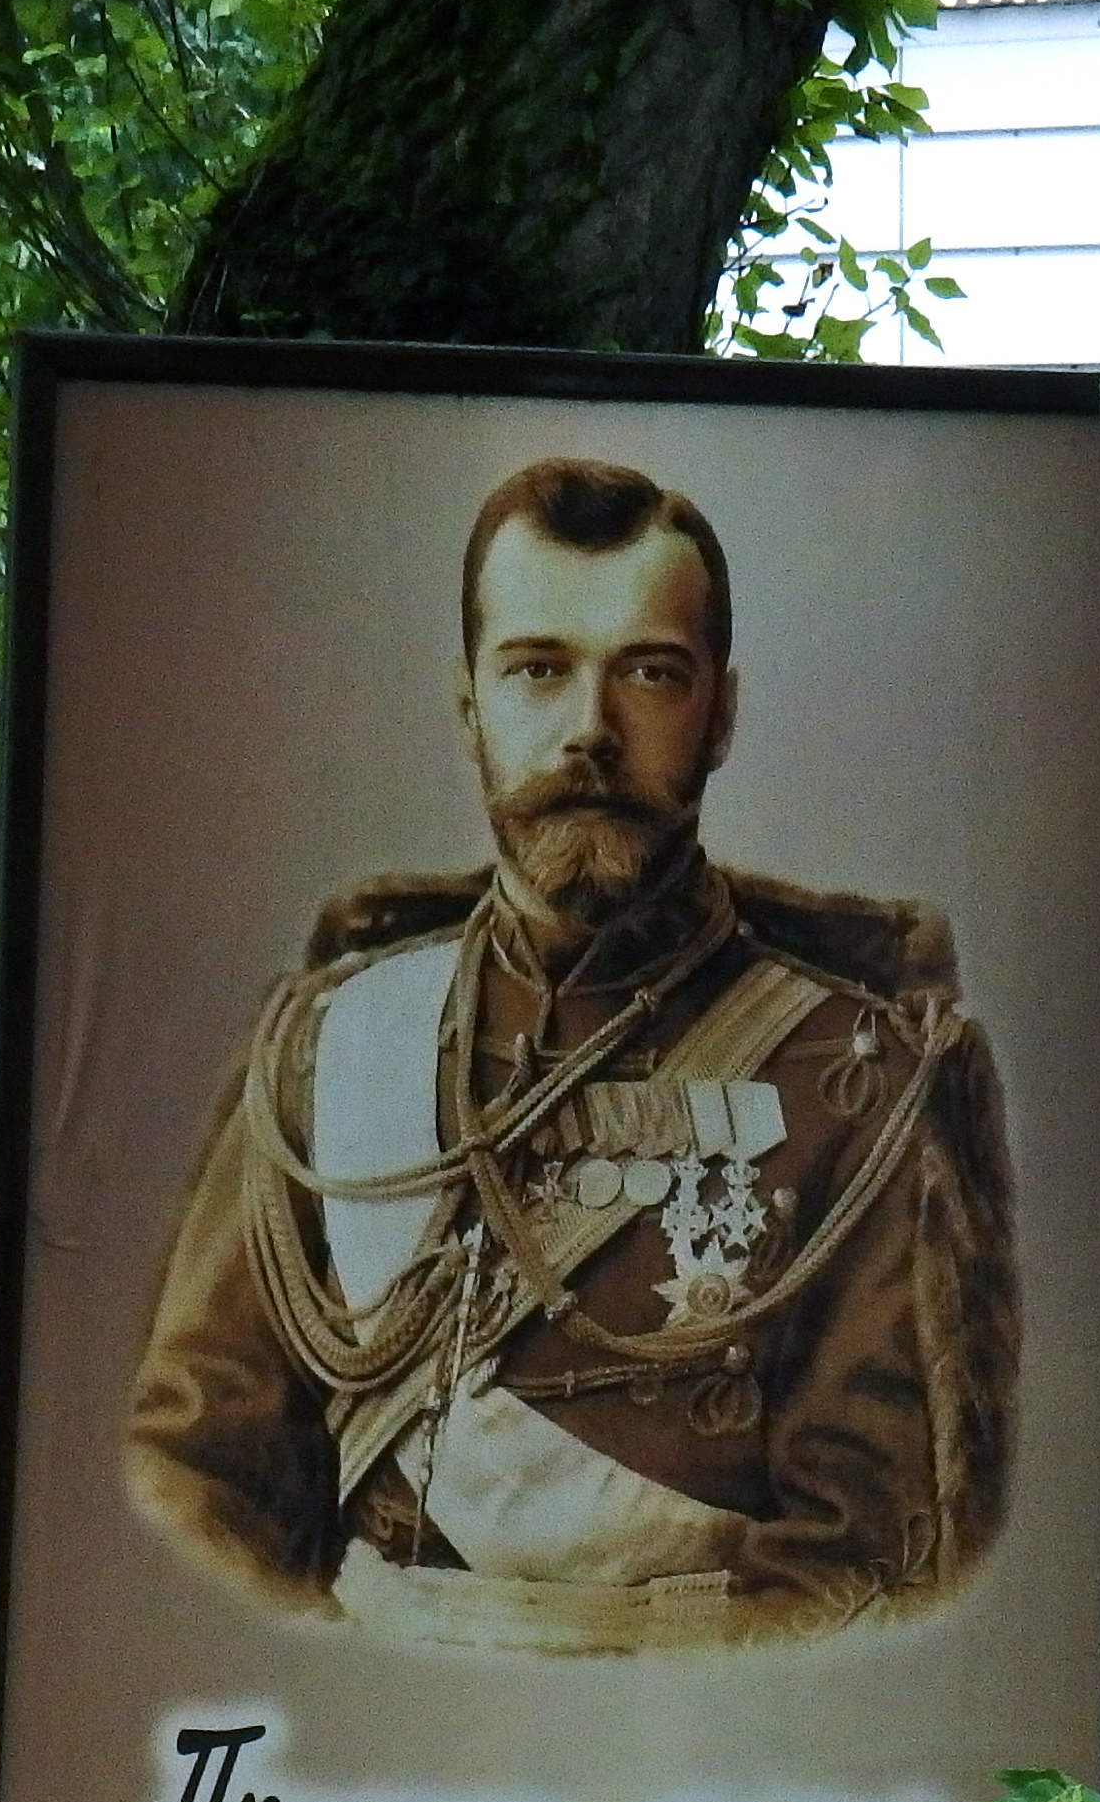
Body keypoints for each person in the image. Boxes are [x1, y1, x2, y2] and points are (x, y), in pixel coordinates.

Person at [126, 455, 1016, 1654]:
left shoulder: (863, 1073)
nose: (589, 731)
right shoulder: (333, 1044)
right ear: (470, 707)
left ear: (722, 716)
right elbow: (195, 1463)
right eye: (537, 670)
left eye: (649, 674)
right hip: (363, 1712)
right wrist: (320, 1667)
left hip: (699, 1740)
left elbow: (875, 1546)